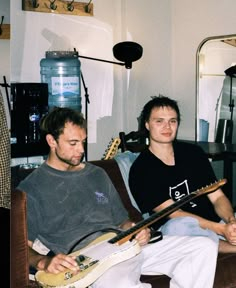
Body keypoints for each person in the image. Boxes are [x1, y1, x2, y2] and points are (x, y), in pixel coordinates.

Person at [17, 107, 218, 288]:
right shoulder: (32, 187)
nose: (81, 150)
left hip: (125, 245)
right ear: (51, 141)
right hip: (91, 260)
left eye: (83, 142)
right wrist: (43, 262)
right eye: (73, 143)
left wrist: (135, 230)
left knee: (203, 248)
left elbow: (123, 221)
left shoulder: (96, 174)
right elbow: (20, 245)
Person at [129, 95, 236, 254]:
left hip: (215, 222)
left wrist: (230, 221)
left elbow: (218, 197)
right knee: (179, 225)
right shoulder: (141, 170)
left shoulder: (193, 153)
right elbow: (174, 213)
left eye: (172, 121)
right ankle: (231, 249)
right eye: (159, 121)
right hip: (180, 230)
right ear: (147, 125)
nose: (167, 127)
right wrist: (221, 229)